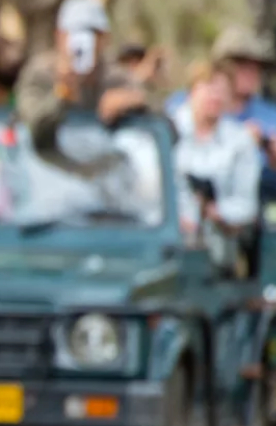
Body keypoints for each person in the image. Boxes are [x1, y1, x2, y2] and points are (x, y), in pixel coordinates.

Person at [14, 0, 149, 175]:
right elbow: (35, 127)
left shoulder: (116, 77)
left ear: (105, 38)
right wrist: (62, 93)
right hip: (48, 177)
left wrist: (132, 101)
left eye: (92, 33)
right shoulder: (39, 74)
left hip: (103, 178)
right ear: (59, 36)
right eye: (75, 32)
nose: (84, 41)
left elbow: (162, 124)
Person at [166, 27, 276, 200]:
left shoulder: (270, 116)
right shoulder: (183, 103)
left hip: (250, 201)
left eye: (256, 67)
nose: (249, 72)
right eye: (241, 64)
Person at [172, 60, 261, 271]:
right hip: (170, 246)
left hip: (217, 251)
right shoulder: (169, 131)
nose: (215, 96)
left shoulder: (239, 141)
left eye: (222, 90)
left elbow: (246, 205)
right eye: (208, 87)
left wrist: (214, 211)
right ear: (192, 91)